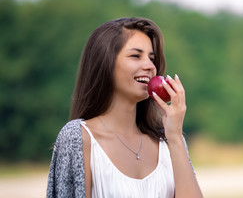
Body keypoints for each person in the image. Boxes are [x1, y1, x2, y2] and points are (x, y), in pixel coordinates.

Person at [46, 17, 203, 198]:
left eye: (152, 58)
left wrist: (175, 135)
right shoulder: (77, 138)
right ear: (105, 63)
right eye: (136, 56)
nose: (150, 66)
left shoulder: (168, 140)